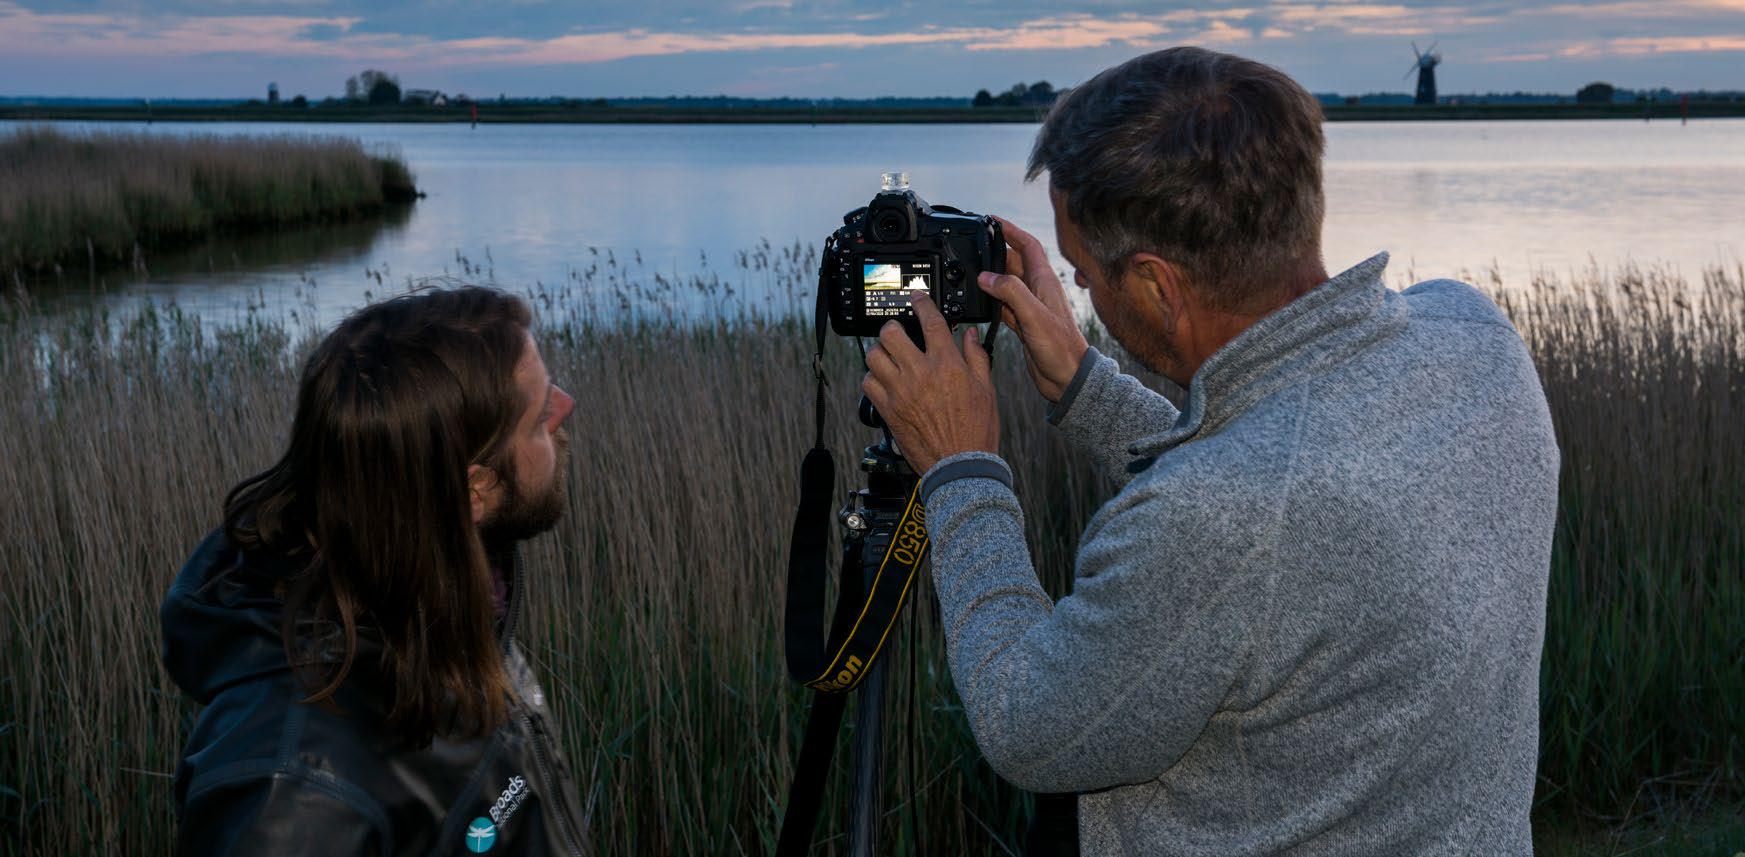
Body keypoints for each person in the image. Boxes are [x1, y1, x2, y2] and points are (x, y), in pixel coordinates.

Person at [860, 47, 1558, 854]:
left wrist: (959, 468)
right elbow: (1281, 483)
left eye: (1084, 276)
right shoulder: (1474, 337)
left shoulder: (1212, 513)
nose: (1081, 291)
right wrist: (1090, 388)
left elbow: (1031, 725)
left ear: (1157, 284)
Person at [160, 287, 586, 855]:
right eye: (537, 417)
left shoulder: (463, 603)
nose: (566, 406)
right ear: (474, 489)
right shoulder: (291, 790)